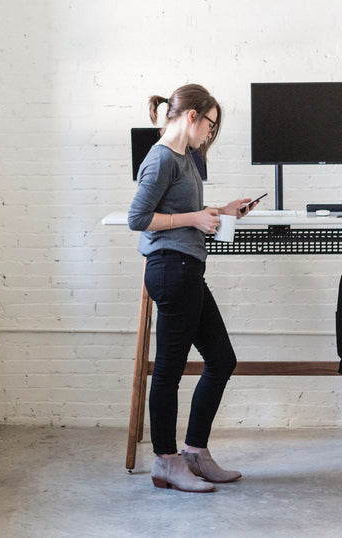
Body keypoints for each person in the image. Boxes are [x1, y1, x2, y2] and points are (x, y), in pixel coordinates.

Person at [127, 84, 257, 493]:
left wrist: (220, 211)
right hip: (171, 269)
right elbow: (138, 218)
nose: (210, 135)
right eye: (210, 126)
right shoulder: (162, 157)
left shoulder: (187, 159)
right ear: (191, 117)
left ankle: (195, 453)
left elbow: (182, 210)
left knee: (222, 360)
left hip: (187, 269)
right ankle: (165, 461)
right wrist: (195, 219)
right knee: (168, 370)